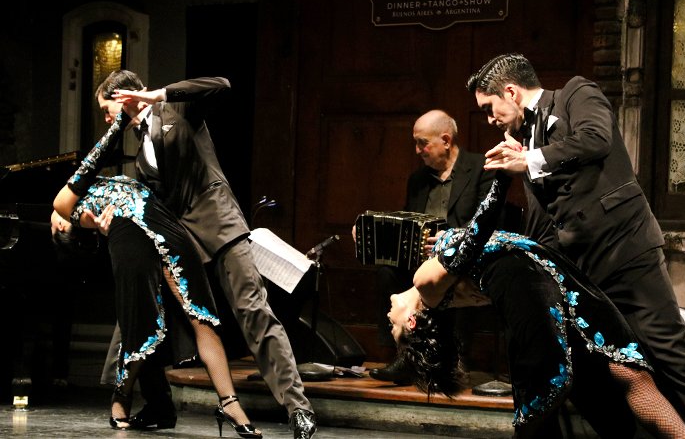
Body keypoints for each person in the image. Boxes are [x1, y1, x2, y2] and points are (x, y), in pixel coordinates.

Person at [467, 52, 685, 438]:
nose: (490, 120)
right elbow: (546, 216)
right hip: (585, 270)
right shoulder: (528, 138)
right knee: (610, 363)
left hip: (626, 252)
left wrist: (530, 160)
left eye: (488, 108)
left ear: (510, 92)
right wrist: (535, 261)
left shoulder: (576, 93)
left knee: (669, 348)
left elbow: (595, 139)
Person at [95, 71, 316, 438]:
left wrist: (156, 95)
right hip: (181, 236)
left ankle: (298, 408)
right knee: (142, 308)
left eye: (107, 109)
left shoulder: (177, 109)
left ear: (125, 97)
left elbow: (222, 85)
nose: (106, 119)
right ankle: (158, 404)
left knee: (252, 309)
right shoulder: (139, 144)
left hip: (218, 223)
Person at [389, 172, 685, 438]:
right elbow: (477, 236)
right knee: (627, 375)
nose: (389, 315)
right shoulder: (425, 285)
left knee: (623, 375)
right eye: (393, 325)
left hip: (542, 272)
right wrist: (501, 179)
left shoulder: (445, 295)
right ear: (412, 322)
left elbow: (476, 250)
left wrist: (448, 240)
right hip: (542, 275)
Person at [52, 111, 261, 437]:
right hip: (129, 235)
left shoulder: (81, 198)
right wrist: (119, 124)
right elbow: (90, 166)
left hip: (162, 223)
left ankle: (230, 403)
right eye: (58, 228)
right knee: (142, 324)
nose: (55, 222)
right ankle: (120, 398)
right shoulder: (67, 202)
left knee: (201, 315)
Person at [368, 109, 496, 383]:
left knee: (451, 278)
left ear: (446, 140)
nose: (417, 150)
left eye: (422, 143)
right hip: (421, 261)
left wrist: (451, 238)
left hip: (461, 259)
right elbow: (408, 222)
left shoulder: (481, 168)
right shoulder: (418, 180)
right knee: (387, 273)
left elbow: (487, 221)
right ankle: (402, 356)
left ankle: (454, 361)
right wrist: (371, 230)